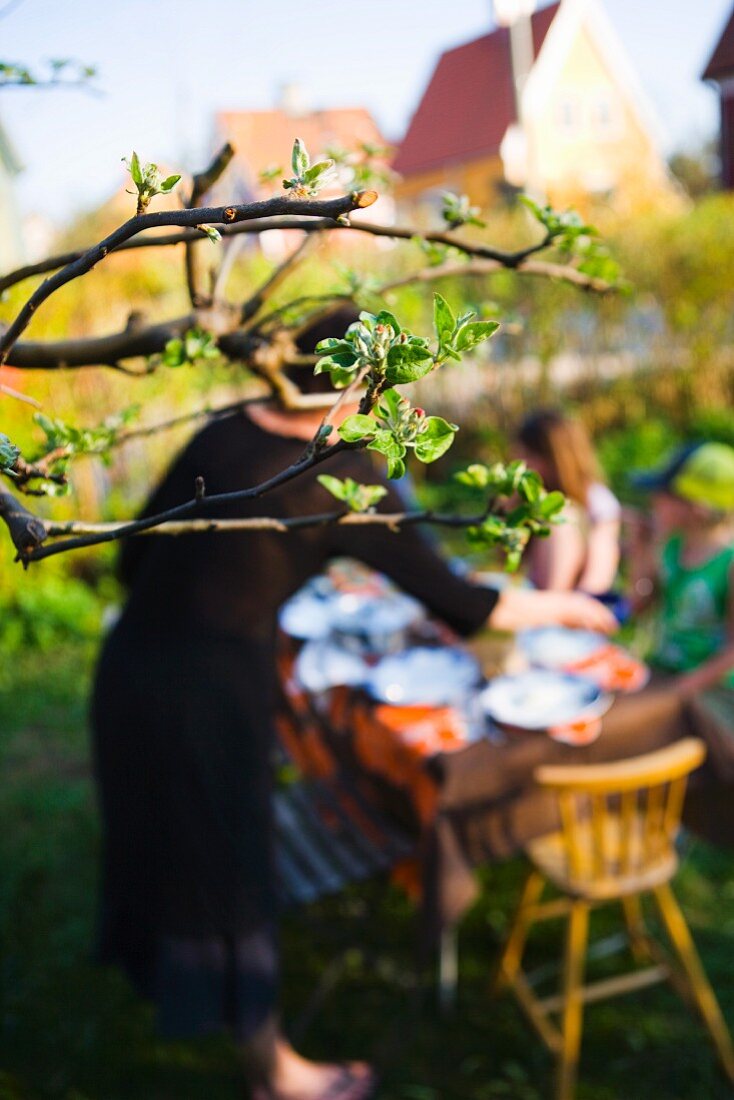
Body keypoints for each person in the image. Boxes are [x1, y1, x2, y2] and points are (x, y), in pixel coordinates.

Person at [91, 313, 616, 1100]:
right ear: (366, 382)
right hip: (207, 696)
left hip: (128, 669)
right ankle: (278, 1077)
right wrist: (570, 611)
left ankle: (161, 975)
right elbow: (465, 605)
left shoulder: (226, 425)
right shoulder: (343, 474)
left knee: (160, 837)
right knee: (231, 866)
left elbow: (134, 555)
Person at [628, 441, 734, 696]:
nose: (652, 501)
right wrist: (640, 548)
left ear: (697, 507)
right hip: (664, 672)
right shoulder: (672, 545)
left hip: (710, 691)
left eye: (663, 495)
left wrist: (677, 691)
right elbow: (638, 605)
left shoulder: (728, 563)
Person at [515, 409, 621, 595]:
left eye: (529, 456)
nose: (522, 465)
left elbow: (598, 575)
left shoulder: (598, 502)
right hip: (540, 598)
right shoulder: (534, 497)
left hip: (574, 602)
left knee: (562, 520)